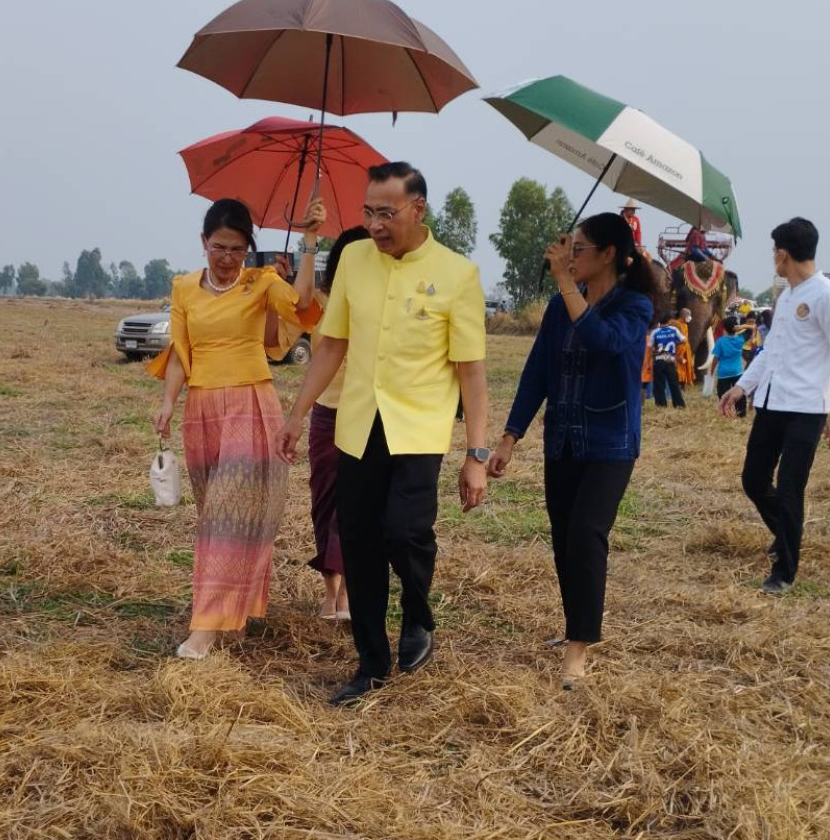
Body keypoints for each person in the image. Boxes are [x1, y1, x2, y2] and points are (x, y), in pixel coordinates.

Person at [275, 162, 489, 706]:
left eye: (387, 213)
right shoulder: (354, 261)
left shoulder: (457, 273)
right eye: (368, 212)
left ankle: (417, 612)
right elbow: (332, 344)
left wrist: (476, 454)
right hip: (358, 426)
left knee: (405, 532)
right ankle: (371, 663)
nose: (375, 224)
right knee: (361, 542)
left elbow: (471, 371)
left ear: (418, 209)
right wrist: (296, 413)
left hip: (419, 430)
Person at [488, 213, 658, 689]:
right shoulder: (559, 306)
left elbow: (605, 343)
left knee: (586, 533)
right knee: (565, 538)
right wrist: (510, 435)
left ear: (609, 254)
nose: (570, 256)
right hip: (562, 439)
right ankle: (573, 627)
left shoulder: (635, 305)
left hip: (610, 443)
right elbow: (537, 372)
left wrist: (565, 284)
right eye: (570, 247)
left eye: (579, 249)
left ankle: (579, 646)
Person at [152, 197, 321, 659]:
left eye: (237, 249)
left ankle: (205, 627)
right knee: (216, 515)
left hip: (250, 406)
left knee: (227, 516)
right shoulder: (184, 289)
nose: (227, 258)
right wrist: (168, 402)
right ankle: (234, 613)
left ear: (249, 248)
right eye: (219, 247)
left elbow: (304, 305)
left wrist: (308, 242)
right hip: (202, 412)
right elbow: (180, 352)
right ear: (203, 242)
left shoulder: (262, 282)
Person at [718, 217, 830, 596]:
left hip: (808, 408)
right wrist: (741, 388)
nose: (773, 259)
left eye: (773, 252)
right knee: (753, 479)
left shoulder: (826, 295)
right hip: (772, 403)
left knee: (791, 487)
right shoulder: (787, 296)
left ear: (782, 254)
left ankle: (784, 572)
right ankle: (786, 532)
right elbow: (769, 352)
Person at [300, 225, 369, 620]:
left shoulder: (380, 303)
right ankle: (331, 592)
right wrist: (310, 241)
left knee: (354, 505)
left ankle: (348, 595)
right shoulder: (322, 301)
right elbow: (299, 301)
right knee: (324, 502)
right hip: (326, 412)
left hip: (367, 413)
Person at [712, 316, 748, 417]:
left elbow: (716, 358)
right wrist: (743, 326)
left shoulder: (720, 341)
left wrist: (711, 371)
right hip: (737, 371)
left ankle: (725, 412)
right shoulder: (740, 340)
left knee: (723, 393)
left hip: (723, 373)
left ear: (724, 328)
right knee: (739, 393)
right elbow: (752, 329)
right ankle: (741, 413)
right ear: (736, 327)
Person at [650, 312, 685, 408]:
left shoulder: (655, 332)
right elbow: (684, 340)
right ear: (669, 321)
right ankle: (678, 404)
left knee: (659, 384)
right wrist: (675, 343)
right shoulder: (674, 330)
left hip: (659, 359)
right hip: (670, 359)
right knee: (674, 383)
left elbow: (650, 347)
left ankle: (661, 404)